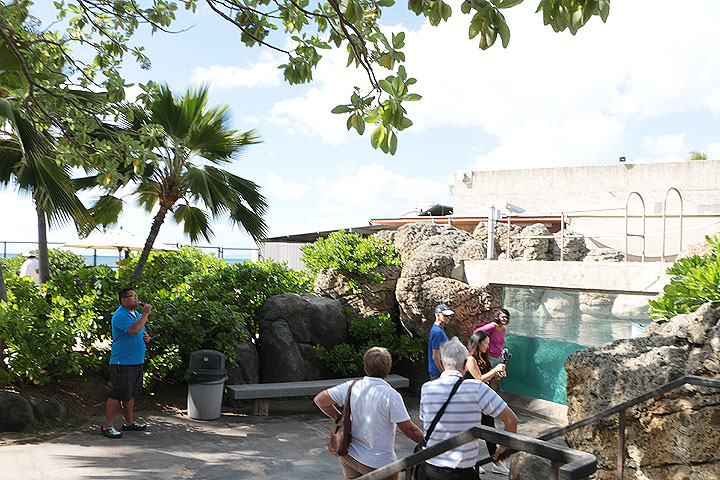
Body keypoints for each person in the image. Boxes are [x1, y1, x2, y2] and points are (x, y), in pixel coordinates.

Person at [314, 347, 425, 480]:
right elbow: (409, 430)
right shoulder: (391, 395)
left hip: (350, 456)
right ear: (388, 370)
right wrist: (429, 443)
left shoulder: (351, 387)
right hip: (379, 464)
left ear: (366, 369)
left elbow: (320, 400)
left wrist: (339, 417)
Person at [418, 337, 518, 480]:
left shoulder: (427, 388)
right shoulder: (477, 388)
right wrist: (504, 447)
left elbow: (425, 422)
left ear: (441, 362)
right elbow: (512, 420)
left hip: (429, 470)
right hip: (461, 472)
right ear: (466, 364)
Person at [102, 287, 152, 438]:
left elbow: (140, 331)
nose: (136, 299)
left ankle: (128, 423)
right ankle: (107, 426)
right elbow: (133, 330)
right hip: (122, 362)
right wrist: (146, 314)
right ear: (123, 300)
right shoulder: (120, 315)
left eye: (136, 296)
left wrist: (146, 338)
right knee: (117, 394)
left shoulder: (136, 314)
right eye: (132, 296)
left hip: (136, 361)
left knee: (130, 394)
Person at [466, 331, 509, 475]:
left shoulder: (483, 358)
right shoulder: (470, 359)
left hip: (483, 400)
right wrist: (495, 370)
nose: (487, 346)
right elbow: (478, 379)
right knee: (472, 432)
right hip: (471, 401)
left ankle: (496, 462)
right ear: (478, 343)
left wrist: (498, 373)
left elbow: (488, 376)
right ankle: (471, 462)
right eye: (485, 343)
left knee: (490, 430)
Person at [473, 308, 510, 391]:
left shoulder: (504, 329)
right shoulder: (492, 326)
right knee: (486, 378)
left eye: (506, 317)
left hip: (499, 357)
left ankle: (494, 398)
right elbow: (477, 332)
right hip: (490, 357)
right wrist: (482, 345)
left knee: (496, 379)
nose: (505, 319)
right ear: (497, 316)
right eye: (503, 317)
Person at [428, 304, 453, 380]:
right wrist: (443, 372)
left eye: (449, 316)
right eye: (446, 315)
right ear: (438, 315)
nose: (448, 318)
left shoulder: (439, 329)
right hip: (438, 373)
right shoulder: (437, 332)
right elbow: (435, 357)